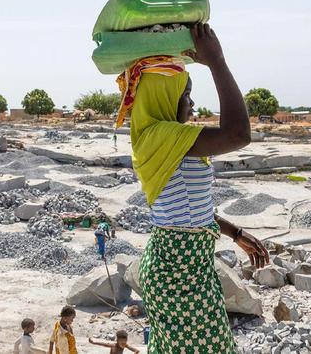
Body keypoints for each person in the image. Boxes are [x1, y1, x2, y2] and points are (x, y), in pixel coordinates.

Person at [111, 23, 270, 353]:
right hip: (177, 274)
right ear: (164, 99)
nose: (192, 103)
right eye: (184, 95)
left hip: (189, 265)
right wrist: (217, 62)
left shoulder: (170, 138)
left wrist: (235, 233)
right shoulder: (158, 136)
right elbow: (238, 134)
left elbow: (189, 208)